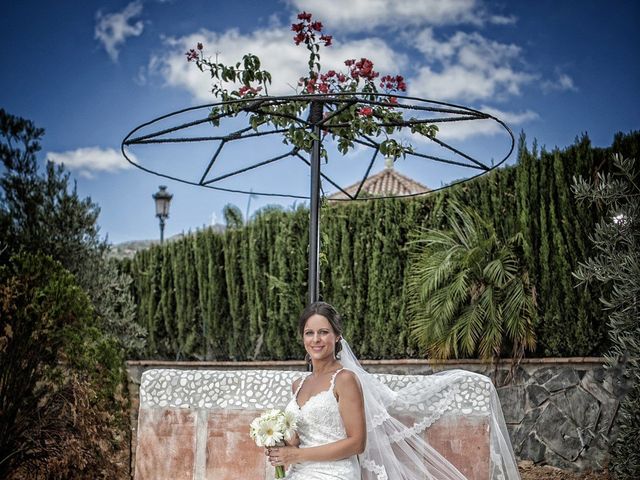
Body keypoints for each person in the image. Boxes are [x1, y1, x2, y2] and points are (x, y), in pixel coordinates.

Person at [267, 302, 520, 480]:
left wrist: (297, 454)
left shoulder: (344, 380)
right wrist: (279, 443)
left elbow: (357, 443)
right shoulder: (298, 384)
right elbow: (301, 436)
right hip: (297, 471)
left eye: (324, 332)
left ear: (337, 337)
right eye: (309, 333)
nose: (316, 339)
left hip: (333, 473)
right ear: (302, 338)